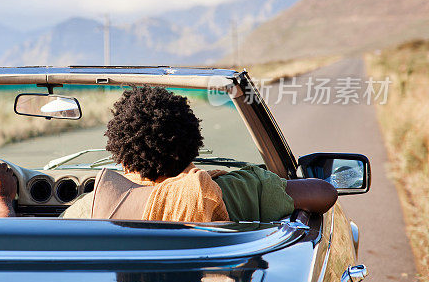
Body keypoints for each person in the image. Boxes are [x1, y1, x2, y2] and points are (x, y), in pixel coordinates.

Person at [61, 86, 338, 221]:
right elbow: (324, 194)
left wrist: (13, 205)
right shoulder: (238, 191)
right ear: (192, 146)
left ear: (119, 156)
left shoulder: (92, 208)